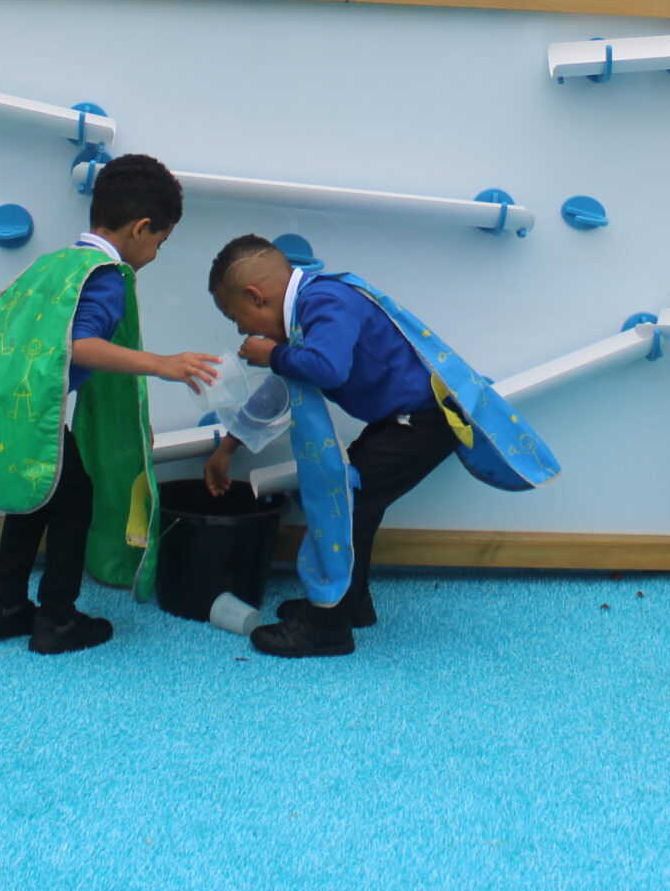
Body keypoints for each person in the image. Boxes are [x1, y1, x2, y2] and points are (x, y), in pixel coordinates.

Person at [203, 235, 558, 659]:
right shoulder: (307, 312)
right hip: (402, 421)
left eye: (237, 318)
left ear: (254, 296)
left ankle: (327, 628)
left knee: (344, 503)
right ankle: (350, 604)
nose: (243, 332)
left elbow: (328, 369)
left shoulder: (324, 303)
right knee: (358, 504)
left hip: (421, 422)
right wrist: (229, 447)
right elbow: (280, 390)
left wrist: (274, 354)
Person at [0, 154, 216, 655]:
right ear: (141, 228)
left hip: (8, 410)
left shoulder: (59, 263)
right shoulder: (105, 275)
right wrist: (162, 364)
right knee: (74, 500)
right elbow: (78, 346)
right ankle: (58, 618)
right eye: (160, 242)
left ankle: (2, 605)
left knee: (35, 499)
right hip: (31, 414)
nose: (154, 254)